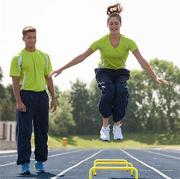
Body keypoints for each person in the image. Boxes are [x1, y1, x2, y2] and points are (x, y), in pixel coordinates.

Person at [50, 3, 168, 141]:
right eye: (111, 23)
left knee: (122, 91)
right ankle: (105, 127)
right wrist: (61, 68)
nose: (113, 26)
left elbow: (142, 60)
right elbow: (82, 56)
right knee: (109, 90)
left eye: (116, 23)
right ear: (107, 25)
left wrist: (155, 77)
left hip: (120, 73)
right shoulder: (101, 41)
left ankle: (117, 125)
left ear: (120, 25)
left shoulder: (128, 42)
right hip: (104, 72)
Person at [10, 26, 57, 174]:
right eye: (29, 37)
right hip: (26, 96)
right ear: (23, 39)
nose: (32, 40)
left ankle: (40, 161)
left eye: (34, 37)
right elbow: (15, 80)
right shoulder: (18, 57)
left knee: (42, 131)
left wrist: (53, 97)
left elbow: (48, 78)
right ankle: (24, 163)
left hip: (42, 96)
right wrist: (18, 101)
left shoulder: (44, 56)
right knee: (24, 132)